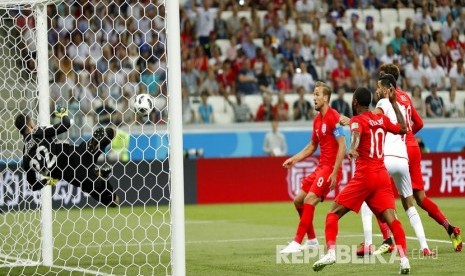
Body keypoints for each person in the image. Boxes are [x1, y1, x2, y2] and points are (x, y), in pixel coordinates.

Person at [312, 86, 411, 274]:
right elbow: (403, 128)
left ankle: (331, 252)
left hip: (365, 176)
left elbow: (356, 133)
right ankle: (404, 259)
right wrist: (394, 103)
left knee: (332, 214)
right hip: (382, 176)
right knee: (391, 219)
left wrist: (353, 148)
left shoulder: (357, 120)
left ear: (355, 102)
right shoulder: (381, 118)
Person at [374, 64, 462, 253]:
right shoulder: (405, 96)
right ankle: (450, 228)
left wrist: (399, 135)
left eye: (381, 80)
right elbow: (419, 123)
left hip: (398, 148)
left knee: (377, 192)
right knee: (420, 198)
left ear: (388, 81)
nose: (378, 86)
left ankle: (388, 239)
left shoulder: (386, 101)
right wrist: (407, 134)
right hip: (412, 146)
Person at [351, 74, 433, 257]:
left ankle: (371, 243)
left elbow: (370, 120)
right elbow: (406, 127)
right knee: (409, 204)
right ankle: (425, 246)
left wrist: (351, 121)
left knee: (367, 197)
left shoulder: (383, 104)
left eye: (380, 87)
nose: (377, 90)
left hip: (387, 158)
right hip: (403, 160)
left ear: (389, 89)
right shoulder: (400, 107)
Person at [279, 81, 346, 253]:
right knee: (298, 200)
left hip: (329, 169)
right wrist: (294, 159)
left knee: (309, 199)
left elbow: (342, 146)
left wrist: (335, 171)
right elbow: (311, 146)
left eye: (317, 94)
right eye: (314, 94)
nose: (314, 98)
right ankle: (312, 240)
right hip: (320, 168)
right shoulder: (317, 121)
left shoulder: (334, 116)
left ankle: (296, 241)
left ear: (325, 98)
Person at [14, 109, 119, 206]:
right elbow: (66, 124)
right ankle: (96, 160)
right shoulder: (38, 132)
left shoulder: (26, 158)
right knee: (109, 132)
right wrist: (63, 113)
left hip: (75, 176)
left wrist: (46, 181)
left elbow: (33, 185)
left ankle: (100, 176)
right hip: (76, 154)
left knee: (114, 202)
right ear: (31, 125)